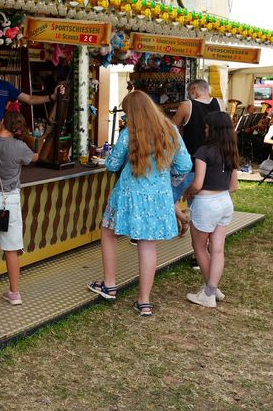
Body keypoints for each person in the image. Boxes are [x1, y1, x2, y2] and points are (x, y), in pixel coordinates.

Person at [87, 91, 192, 317]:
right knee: (147, 244)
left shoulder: (130, 132)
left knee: (108, 233)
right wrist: (167, 179)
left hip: (128, 194)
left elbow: (112, 165)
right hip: (158, 196)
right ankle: (144, 301)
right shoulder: (170, 130)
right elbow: (184, 165)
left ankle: (109, 284)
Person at [0, 111, 37, 308]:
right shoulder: (20, 147)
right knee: (11, 250)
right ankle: (14, 293)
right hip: (9, 200)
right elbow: (34, 158)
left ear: (2, 122)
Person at [184, 112, 239, 308]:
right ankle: (212, 288)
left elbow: (197, 183)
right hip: (225, 201)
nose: (205, 130)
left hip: (206, 203)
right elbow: (234, 186)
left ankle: (209, 292)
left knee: (199, 247)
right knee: (217, 249)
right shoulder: (231, 151)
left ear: (213, 129)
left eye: (207, 127)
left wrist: (188, 191)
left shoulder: (203, 151)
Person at [171, 79, 220, 230]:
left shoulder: (186, 106)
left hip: (190, 163)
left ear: (194, 90)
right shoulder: (220, 103)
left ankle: (182, 220)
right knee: (200, 204)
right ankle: (199, 231)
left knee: (167, 195)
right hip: (214, 162)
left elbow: (170, 130)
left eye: (189, 92)